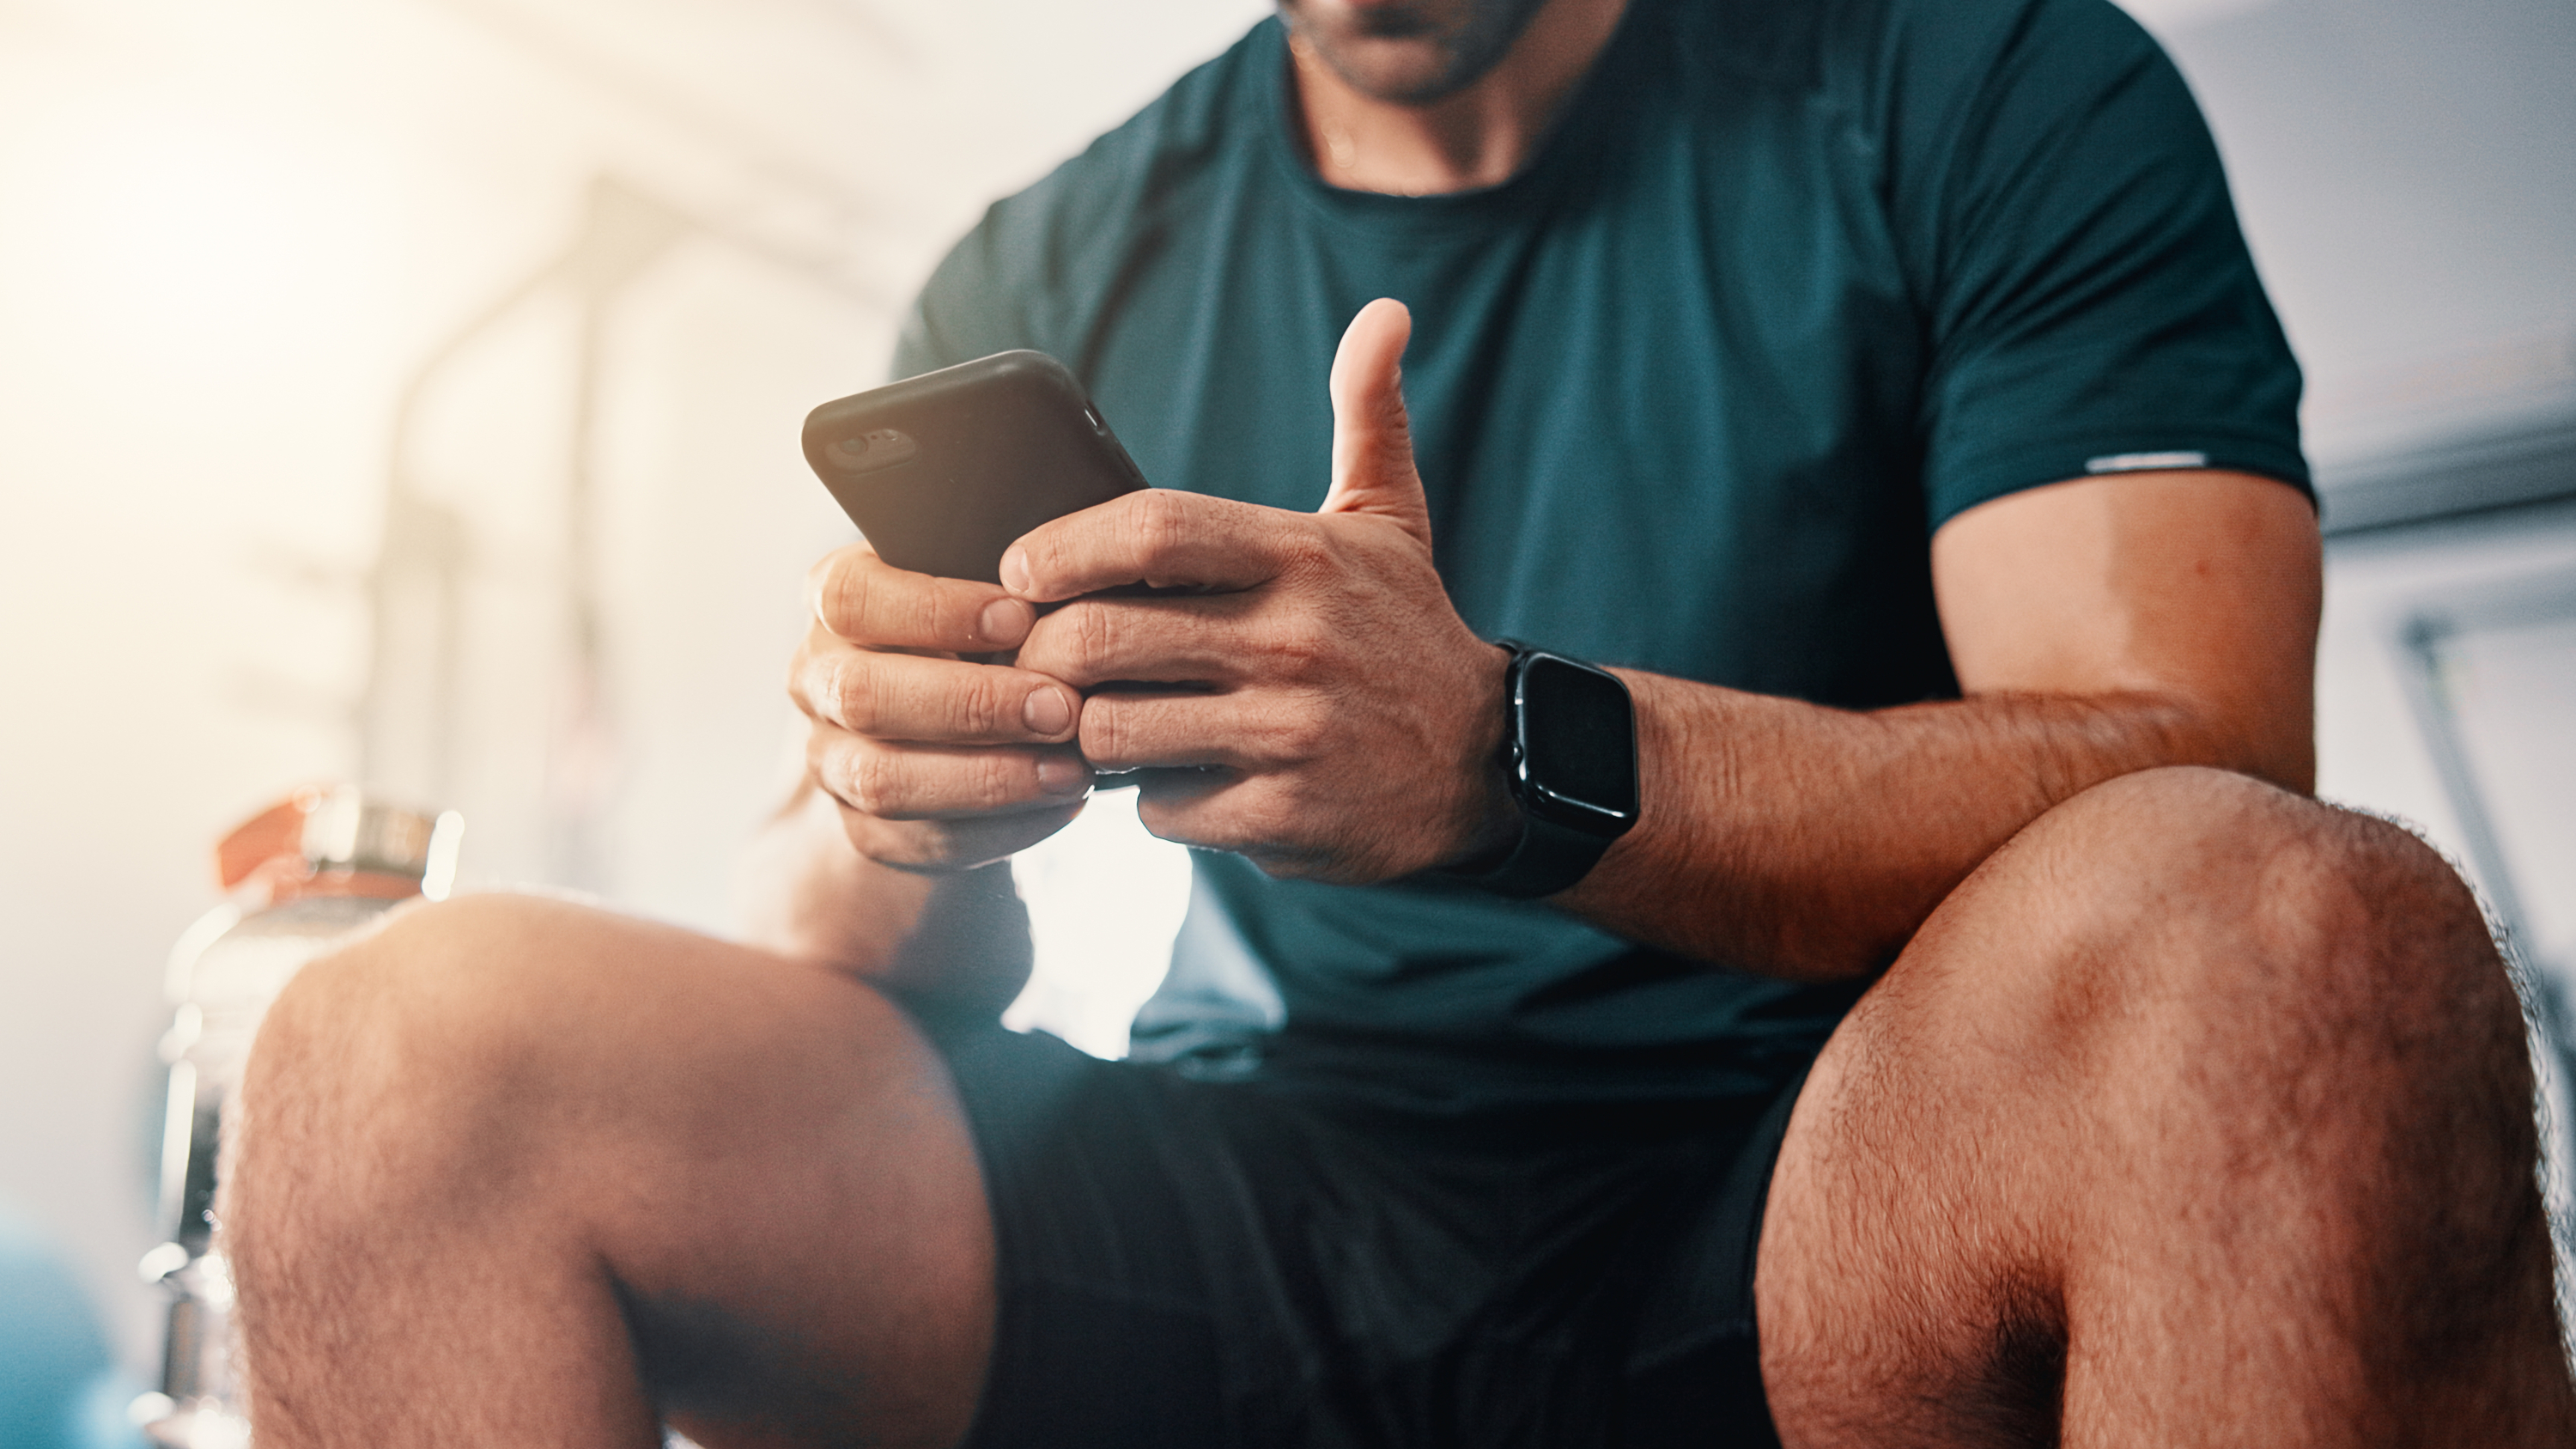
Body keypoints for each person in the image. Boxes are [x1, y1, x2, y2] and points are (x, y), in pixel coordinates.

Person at [227, 0, 2576, 1443]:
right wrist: (891, 804)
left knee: (2294, 946)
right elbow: (861, 963)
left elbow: (2196, 762)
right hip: (1243, 1198)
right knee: (387, 1052)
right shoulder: (1055, 256)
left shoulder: (1975, 87)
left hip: (1805, 1196)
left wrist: (1506, 758)